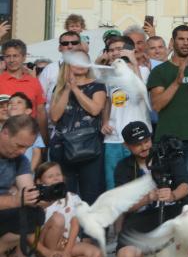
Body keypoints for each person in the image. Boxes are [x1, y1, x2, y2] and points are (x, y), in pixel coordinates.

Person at [113, 121, 188, 257]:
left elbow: (185, 186)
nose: (144, 147)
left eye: (146, 141)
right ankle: (153, 248)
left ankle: (165, 244)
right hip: (140, 218)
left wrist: (172, 195)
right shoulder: (123, 167)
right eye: (137, 144)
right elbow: (123, 206)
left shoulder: (168, 154)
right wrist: (148, 198)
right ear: (126, 146)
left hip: (169, 212)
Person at [146, 25, 188, 183]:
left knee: (186, 186)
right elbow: (156, 105)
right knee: (164, 185)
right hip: (165, 139)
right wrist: (177, 82)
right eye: (181, 39)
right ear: (172, 41)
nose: (185, 43)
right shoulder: (159, 71)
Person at [47, 57, 108, 206]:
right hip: (63, 147)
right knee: (65, 196)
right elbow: (54, 117)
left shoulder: (98, 85)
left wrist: (75, 89)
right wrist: (68, 88)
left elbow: (95, 109)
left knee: (92, 195)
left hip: (90, 147)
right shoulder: (59, 88)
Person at [98, 34, 151, 191]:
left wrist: (133, 63)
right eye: (111, 50)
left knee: (140, 186)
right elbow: (108, 100)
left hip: (139, 138)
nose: (115, 53)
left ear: (129, 50)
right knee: (113, 186)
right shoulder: (108, 74)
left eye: (119, 49)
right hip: (113, 138)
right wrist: (105, 121)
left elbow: (142, 93)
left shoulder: (143, 70)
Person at [0, 115, 46, 257]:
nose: (22, 151)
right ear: (5, 133)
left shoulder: (20, 160)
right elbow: (17, 200)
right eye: (19, 145)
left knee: (35, 214)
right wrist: (14, 200)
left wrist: (41, 197)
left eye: (26, 147)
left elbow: (27, 190)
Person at [33, 161, 102, 257]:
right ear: (39, 181)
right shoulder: (37, 200)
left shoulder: (73, 197)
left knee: (96, 255)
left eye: (58, 174)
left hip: (67, 243)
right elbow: (31, 230)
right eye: (50, 176)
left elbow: (75, 224)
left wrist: (67, 252)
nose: (56, 178)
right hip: (45, 244)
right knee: (58, 219)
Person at [0, 39, 47, 136]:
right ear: (4, 58)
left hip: (30, 136)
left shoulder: (34, 82)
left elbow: (41, 112)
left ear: (24, 57)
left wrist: (44, 138)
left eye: (15, 56)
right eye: (8, 56)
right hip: (4, 136)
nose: (11, 60)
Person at [37, 29, 84, 102]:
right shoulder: (50, 69)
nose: (70, 46)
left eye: (74, 43)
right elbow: (40, 98)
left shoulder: (89, 68)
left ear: (80, 46)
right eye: (65, 43)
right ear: (59, 48)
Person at [6, 94, 44, 171]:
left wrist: (29, 172)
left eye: (19, 102)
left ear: (28, 111)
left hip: (26, 171)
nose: (13, 104)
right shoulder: (4, 128)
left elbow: (36, 153)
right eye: (10, 103)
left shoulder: (32, 129)